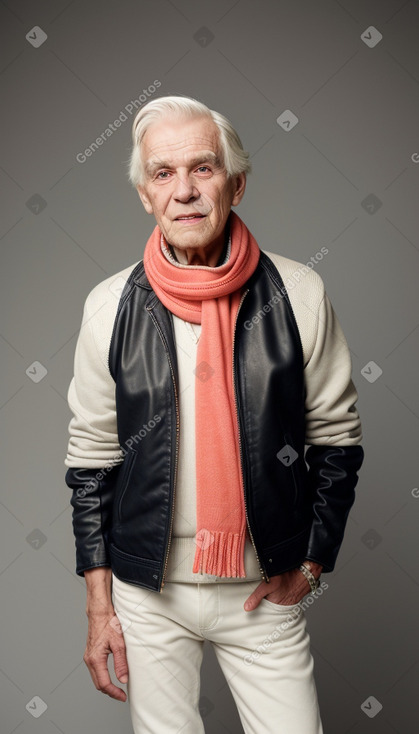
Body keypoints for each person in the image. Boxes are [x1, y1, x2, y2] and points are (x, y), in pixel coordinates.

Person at [64, 94, 364, 734]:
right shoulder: (108, 306)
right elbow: (91, 462)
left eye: (203, 168)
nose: (185, 191)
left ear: (237, 182)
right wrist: (100, 607)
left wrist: (312, 565)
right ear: (145, 195)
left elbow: (336, 445)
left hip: (263, 588)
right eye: (163, 174)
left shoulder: (299, 293)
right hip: (149, 594)